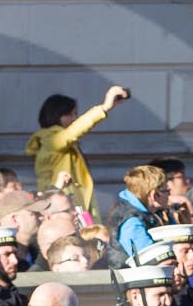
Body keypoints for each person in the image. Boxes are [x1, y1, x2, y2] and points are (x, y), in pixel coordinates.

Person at [25, 86, 128, 221]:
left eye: (75, 114)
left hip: (75, 206)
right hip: (60, 209)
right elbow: (72, 133)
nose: (74, 118)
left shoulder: (59, 142)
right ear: (56, 115)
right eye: (71, 114)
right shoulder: (50, 140)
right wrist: (104, 107)